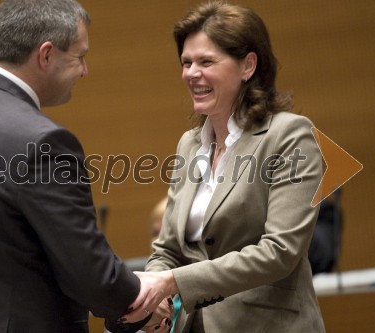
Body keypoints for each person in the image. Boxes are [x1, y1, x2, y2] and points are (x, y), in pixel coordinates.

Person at [0, 0, 167, 332]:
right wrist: (142, 301)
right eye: (79, 56)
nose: (84, 70)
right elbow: (89, 275)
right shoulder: (42, 141)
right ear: (46, 55)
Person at [122, 2, 326, 332]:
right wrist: (157, 299)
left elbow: (280, 252)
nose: (191, 73)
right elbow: (168, 248)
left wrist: (172, 282)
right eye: (186, 62)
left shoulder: (290, 135)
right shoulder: (189, 145)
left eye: (206, 62)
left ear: (247, 65)